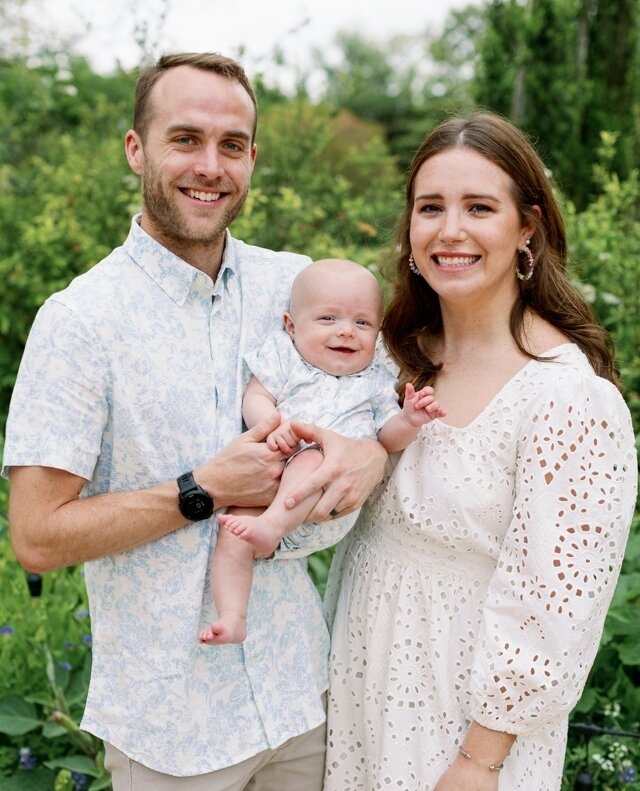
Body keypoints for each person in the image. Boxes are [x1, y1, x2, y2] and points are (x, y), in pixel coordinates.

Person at [2, 53, 389, 790]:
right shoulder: (80, 322)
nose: (210, 165)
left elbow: (387, 399)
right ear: (136, 149)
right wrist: (200, 488)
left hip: (301, 695)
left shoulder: (300, 286)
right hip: (171, 734)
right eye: (185, 139)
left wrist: (371, 456)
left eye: (232, 144)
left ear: (252, 158)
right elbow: (36, 535)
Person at [324, 111, 637, 791]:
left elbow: (555, 606)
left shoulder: (566, 397)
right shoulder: (389, 356)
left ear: (527, 227)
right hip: (357, 677)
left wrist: (479, 761)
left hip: (464, 718)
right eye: (430, 207)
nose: (451, 230)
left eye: (479, 207)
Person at [198, 258, 445, 645]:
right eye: (328, 319)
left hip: (327, 501)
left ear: (377, 333)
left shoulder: (374, 381)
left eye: (362, 323)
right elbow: (256, 396)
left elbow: (387, 437)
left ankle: (272, 526)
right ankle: (232, 616)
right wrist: (273, 425)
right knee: (233, 536)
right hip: (267, 488)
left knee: (315, 456)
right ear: (291, 326)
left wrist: (411, 420)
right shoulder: (285, 357)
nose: (347, 332)